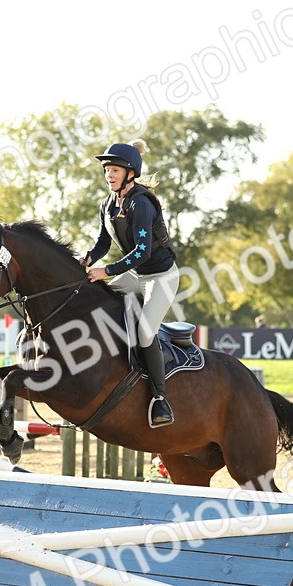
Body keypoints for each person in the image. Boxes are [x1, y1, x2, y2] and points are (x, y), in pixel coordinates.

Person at [82, 140, 179, 428]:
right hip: (136, 276)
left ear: (130, 173)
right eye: (106, 170)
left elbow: (142, 252)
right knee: (97, 298)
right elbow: (102, 243)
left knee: (146, 334)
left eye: (114, 170)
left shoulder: (141, 203)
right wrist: (87, 259)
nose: (109, 175)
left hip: (160, 277)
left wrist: (107, 270)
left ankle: (160, 399)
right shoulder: (108, 204)